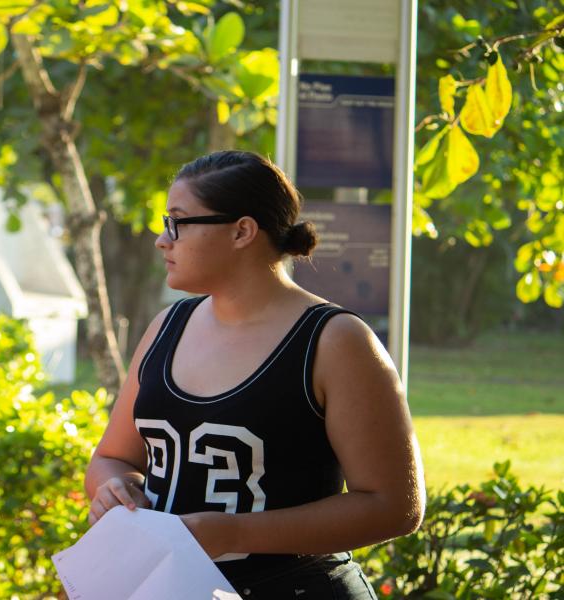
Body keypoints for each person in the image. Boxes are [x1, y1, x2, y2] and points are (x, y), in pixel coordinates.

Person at [84, 151, 424, 599]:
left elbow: (394, 507)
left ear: (242, 231)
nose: (162, 240)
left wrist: (233, 534)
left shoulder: (336, 340)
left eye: (178, 222)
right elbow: (112, 457)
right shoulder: (167, 325)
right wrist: (116, 489)